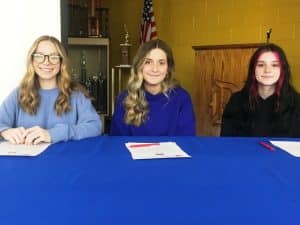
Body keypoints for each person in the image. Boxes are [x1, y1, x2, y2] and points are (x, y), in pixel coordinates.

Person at [0, 35, 102, 144]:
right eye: (39, 56)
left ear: (61, 62)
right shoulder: (19, 93)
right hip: (28, 160)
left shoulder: (76, 94)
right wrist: (4, 131)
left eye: (54, 57)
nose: (46, 62)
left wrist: (53, 134)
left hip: (64, 159)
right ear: (32, 60)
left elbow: (95, 127)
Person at [110, 39, 196, 136]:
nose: (155, 69)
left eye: (161, 63)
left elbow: (186, 141)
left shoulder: (182, 98)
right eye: (148, 62)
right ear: (139, 66)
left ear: (168, 68)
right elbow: (117, 142)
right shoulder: (125, 98)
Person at [220, 43, 300, 137]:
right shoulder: (236, 101)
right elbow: (227, 141)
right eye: (261, 65)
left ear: (283, 69)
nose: (267, 70)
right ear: (253, 69)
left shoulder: (296, 103)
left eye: (274, 65)